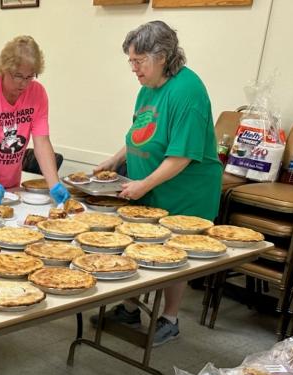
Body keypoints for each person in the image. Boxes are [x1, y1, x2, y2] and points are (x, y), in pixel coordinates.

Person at [94, 20, 222, 345]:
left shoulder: (188, 92)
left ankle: (170, 317)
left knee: (173, 255)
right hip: (149, 185)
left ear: (162, 56)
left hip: (184, 191)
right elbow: (140, 134)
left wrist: (143, 185)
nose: (134, 69)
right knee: (138, 245)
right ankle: (130, 307)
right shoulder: (147, 89)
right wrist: (114, 159)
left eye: (139, 62)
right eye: (131, 62)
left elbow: (181, 156)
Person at [0, 36, 69, 209]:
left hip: (11, 179)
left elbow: (42, 142)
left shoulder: (38, 93)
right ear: (4, 69)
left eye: (29, 77)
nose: (24, 84)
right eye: (18, 76)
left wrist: (54, 184)